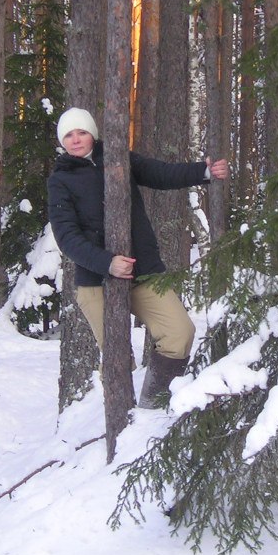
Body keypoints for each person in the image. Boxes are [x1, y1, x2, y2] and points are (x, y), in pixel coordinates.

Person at [47, 107, 228, 408]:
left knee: (180, 334)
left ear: (92, 134)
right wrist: (107, 263)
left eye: (81, 132)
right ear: (62, 142)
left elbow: (160, 173)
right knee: (119, 359)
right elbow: (67, 238)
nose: (76, 139)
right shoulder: (60, 181)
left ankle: (152, 409)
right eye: (68, 135)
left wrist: (203, 171)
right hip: (96, 282)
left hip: (142, 272)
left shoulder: (118, 157)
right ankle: (118, 423)